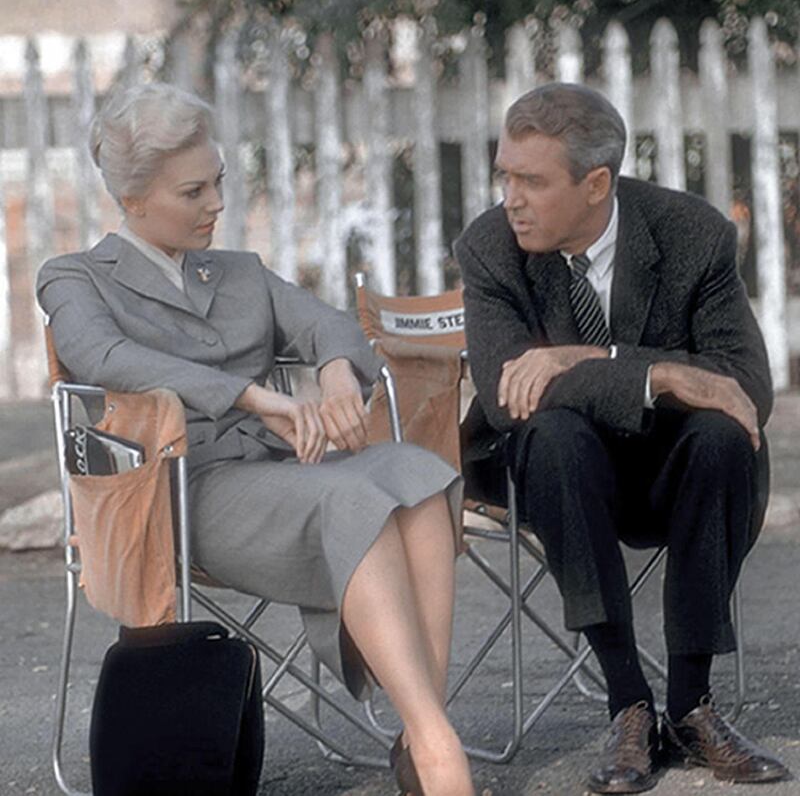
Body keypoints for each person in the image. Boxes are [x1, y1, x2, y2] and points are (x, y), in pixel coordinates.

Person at [37, 82, 475, 796]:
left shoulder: (239, 271)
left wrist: (336, 373)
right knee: (352, 502)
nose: (216, 203)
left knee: (419, 476)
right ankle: (438, 748)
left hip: (284, 472)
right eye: (193, 191)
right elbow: (104, 357)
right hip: (182, 495)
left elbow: (330, 324)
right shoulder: (74, 278)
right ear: (133, 198)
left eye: (218, 182)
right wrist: (250, 396)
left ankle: (421, 728)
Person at [455, 82, 789, 794]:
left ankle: (691, 706)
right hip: (555, 477)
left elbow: (743, 389)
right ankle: (628, 704)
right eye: (505, 175)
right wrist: (664, 373)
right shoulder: (490, 248)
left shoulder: (692, 234)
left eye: (532, 181)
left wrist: (587, 358)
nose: (511, 198)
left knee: (723, 437)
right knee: (553, 433)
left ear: (597, 184)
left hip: (670, 470)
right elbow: (508, 391)